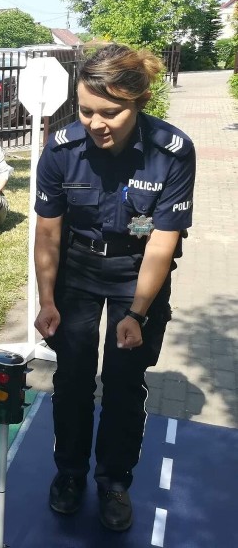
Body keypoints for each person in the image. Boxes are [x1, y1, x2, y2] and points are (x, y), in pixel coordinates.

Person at [33, 44, 196, 533]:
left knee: (125, 382)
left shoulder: (172, 151)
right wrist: (46, 300)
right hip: (79, 271)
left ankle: (113, 481)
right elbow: (47, 232)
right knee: (74, 376)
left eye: (111, 111)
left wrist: (138, 313)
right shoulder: (61, 148)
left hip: (137, 273)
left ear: (140, 101)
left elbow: (162, 243)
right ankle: (69, 474)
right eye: (86, 110)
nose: (96, 122)